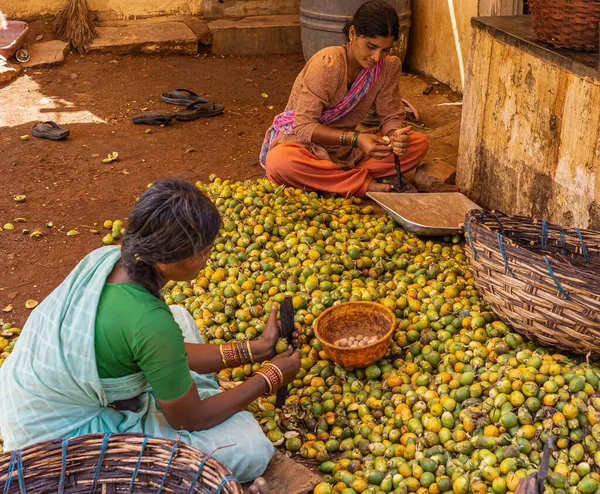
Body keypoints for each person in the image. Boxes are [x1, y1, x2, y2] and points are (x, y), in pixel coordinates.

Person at [0, 178, 301, 492]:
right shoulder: (149, 323)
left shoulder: (110, 258)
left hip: (24, 396)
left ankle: (173, 387)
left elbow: (161, 344)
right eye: (203, 252)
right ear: (167, 259)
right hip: (55, 442)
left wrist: (257, 349)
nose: (208, 257)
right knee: (250, 446)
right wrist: (270, 377)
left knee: (180, 318)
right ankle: (172, 394)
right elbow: (190, 420)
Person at [260, 0, 429, 198]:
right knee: (280, 162)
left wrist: (395, 136)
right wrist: (356, 139)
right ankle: (359, 183)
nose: (376, 57)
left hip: (346, 151)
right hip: (305, 146)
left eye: (385, 49)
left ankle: (332, 180)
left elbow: (390, 115)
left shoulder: (388, 67)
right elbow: (304, 127)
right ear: (352, 34)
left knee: (419, 144)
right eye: (371, 46)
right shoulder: (327, 65)